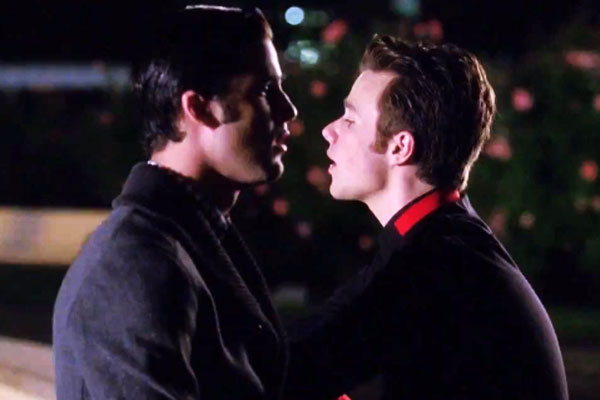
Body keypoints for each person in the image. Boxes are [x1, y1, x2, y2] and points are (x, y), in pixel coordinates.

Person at [285, 35, 568, 400]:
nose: (329, 130)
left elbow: (285, 370)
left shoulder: (430, 266)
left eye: (350, 119)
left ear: (400, 147)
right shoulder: (449, 240)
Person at [53, 5, 297, 400]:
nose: (289, 111)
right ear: (198, 108)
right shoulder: (134, 262)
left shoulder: (189, 235)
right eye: (265, 90)